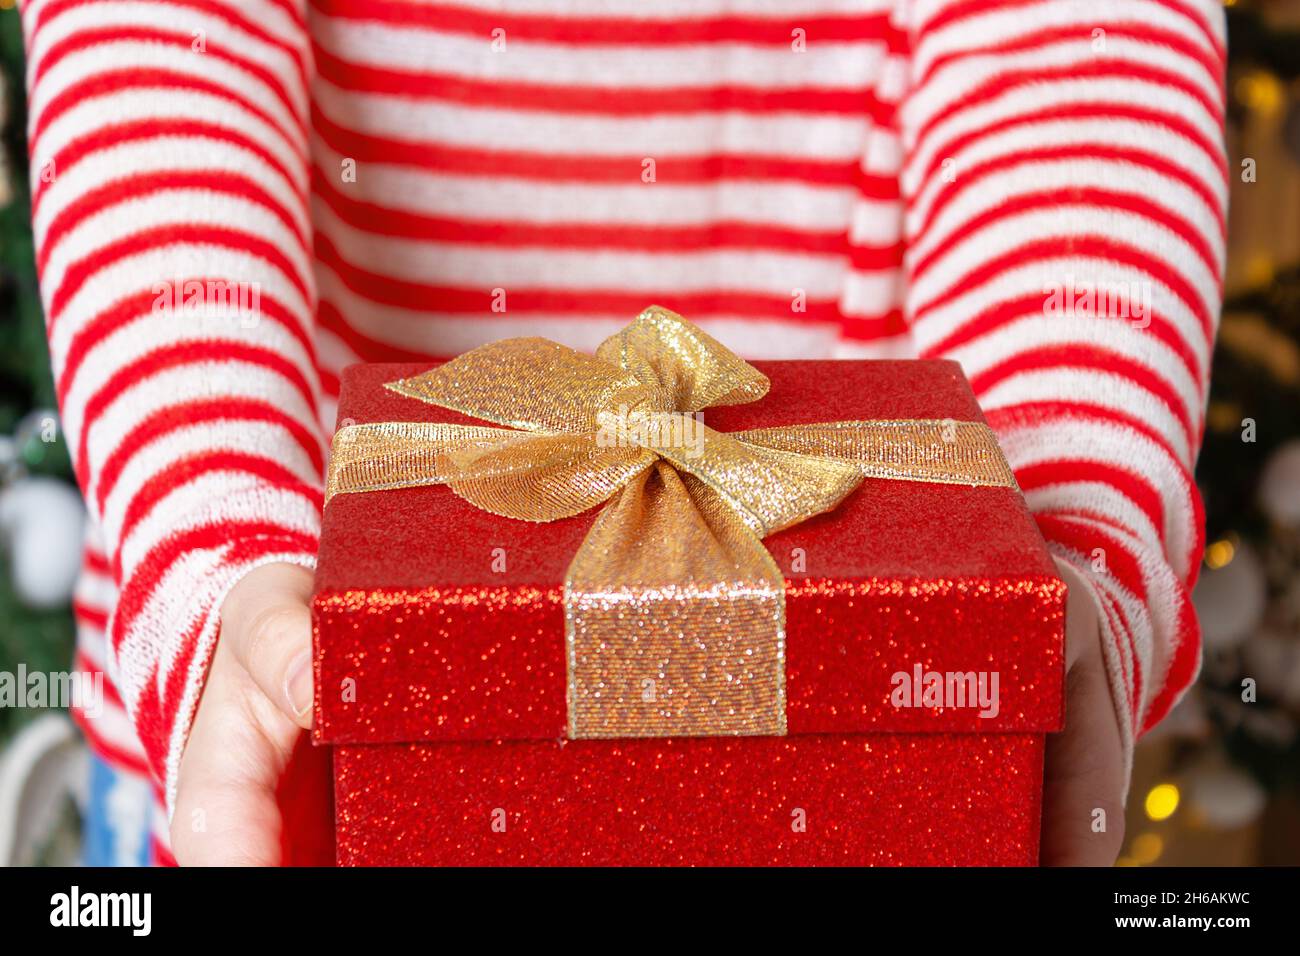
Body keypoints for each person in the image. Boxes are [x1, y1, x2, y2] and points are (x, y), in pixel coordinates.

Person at [16, 0, 1225, 865]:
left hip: (884, 762)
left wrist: (1052, 540)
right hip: (276, 716)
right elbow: (164, 41)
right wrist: (221, 535)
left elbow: (1074, 55)